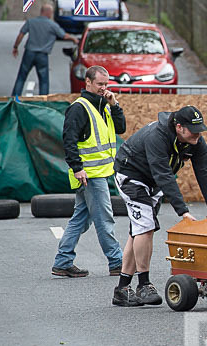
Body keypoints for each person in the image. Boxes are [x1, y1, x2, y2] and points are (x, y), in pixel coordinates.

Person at [111, 106, 207, 307]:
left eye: (200, 129)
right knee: (145, 227)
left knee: (138, 230)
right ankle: (143, 285)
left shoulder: (196, 141)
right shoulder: (157, 136)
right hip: (131, 176)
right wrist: (183, 211)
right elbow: (163, 174)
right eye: (193, 129)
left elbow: (204, 174)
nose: (198, 134)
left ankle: (122, 289)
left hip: (152, 182)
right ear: (179, 127)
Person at [52, 65, 126, 278]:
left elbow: (120, 129)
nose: (104, 88)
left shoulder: (103, 105)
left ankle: (63, 261)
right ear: (88, 83)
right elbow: (69, 139)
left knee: (81, 218)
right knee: (104, 218)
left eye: (106, 84)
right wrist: (77, 168)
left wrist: (115, 104)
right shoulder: (80, 107)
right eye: (100, 84)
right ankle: (117, 262)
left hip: (100, 172)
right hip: (90, 175)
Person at [11, 3, 78, 97]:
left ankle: (15, 98)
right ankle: (43, 101)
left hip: (29, 53)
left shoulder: (31, 22)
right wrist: (74, 39)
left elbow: (21, 34)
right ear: (48, 13)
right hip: (42, 55)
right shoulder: (52, 25)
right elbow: (64, 35)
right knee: (43, 80)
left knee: (21, 77)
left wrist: (15, 47)